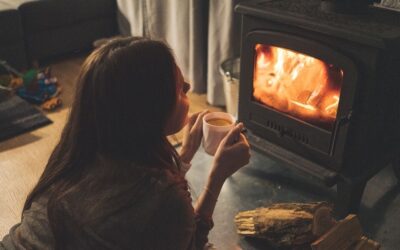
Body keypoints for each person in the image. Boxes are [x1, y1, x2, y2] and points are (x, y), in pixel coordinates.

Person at [0, 37, 250, 250]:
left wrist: (183, 156)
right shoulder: (164, 201)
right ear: (147, 111)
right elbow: (189, 243)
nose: (189, 86)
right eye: (178, 88)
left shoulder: (76, 156)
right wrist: (217, 177)